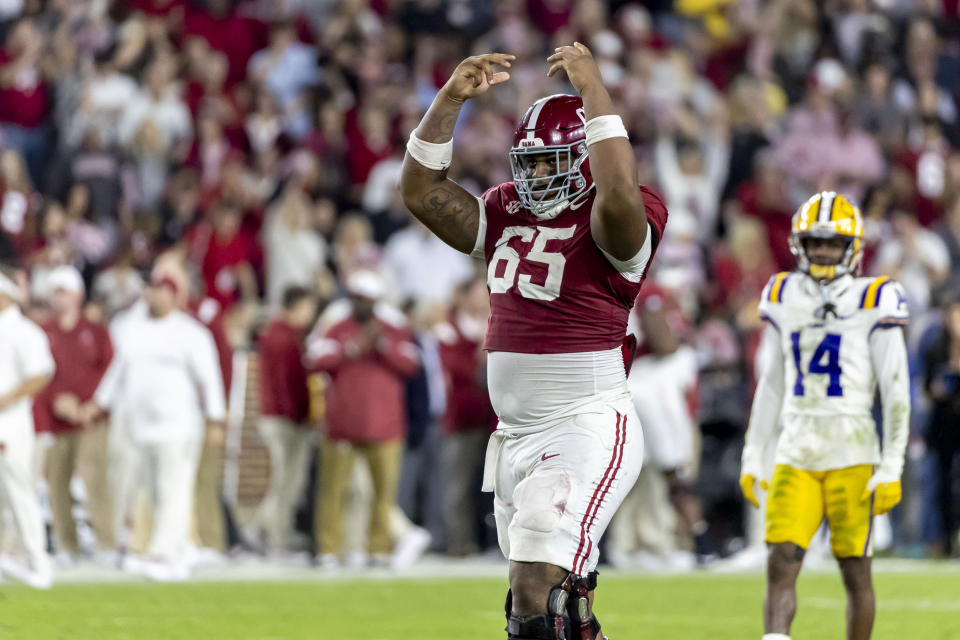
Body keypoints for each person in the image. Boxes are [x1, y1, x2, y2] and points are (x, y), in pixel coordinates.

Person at [399, 43, 669, 640]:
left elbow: (619, 191)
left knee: (535, 590)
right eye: (532, 163)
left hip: (584, 421)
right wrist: (449, 100)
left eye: (554, 163)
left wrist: (593, 87)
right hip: (515, 434)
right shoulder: (505, 208)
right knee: (546, 611)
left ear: (586, 158)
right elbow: (421, 192)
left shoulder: (619, 212)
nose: (539, 175)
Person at [739, 192, 911, 640]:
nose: (822, 252)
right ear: (800, 244)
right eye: (815, 243)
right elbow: (772, 382)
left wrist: (892, 463)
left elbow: (895, 389)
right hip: (796, 446)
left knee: (855, 570)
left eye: (832, 244)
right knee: (780, 560)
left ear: (852, 247)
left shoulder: (876, 296)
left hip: (852, 449)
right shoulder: (782, 292)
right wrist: (753, 454)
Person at [85, 269, 226, 581]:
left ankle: (163, 553)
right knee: (150, 490)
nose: (155, 294)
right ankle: (175, 551)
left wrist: (215, 418)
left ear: (175, 296)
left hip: (179, 424)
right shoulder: (132, 330)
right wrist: (99, 404)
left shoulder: (191, 333)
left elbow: (210, 378)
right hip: (140, 425)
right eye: (151, 289)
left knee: (173, 488)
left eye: (163, 289)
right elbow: (116, 371)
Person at [308, 270, 420, 569]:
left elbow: (412, 363)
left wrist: (381, 345)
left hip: (385, 425)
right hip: (342, 424)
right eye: (356, 297)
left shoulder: (391, 328)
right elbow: (315, 359)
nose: (360, 304)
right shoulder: (336, 327)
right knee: (333, 490)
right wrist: (353, 348)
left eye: (366, 299)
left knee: (383, 494)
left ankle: (378, 548)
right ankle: (329, 549)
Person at [33, 266, 115, 563]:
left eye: (64, 291)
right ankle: (68, 546)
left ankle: (106, 544)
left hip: (91, 419)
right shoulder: (44, 332)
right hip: (56, 421)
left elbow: (110, 370)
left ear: (78, 294)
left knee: (96, 480)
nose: (60, 297)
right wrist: (57, 400)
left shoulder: (96, 332)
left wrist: (92, 404)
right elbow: (37, 373)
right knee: (57, 484)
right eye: (55, 291)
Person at [251, 285, 318, 553]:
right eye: (309, 307)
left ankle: (276, 532)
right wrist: (300, 416)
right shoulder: (284, 337)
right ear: (298, 306)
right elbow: (287, 383)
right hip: (284, 419)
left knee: (287, 481)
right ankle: (267, 532)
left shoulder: (281, 334)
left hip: (279, 416)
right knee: (284, 481)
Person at [0, 264, 54, 588]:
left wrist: (7, 399)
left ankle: (38, 562)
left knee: (20, 492)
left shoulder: (24, 331)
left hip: (11, 424)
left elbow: (41, 373)